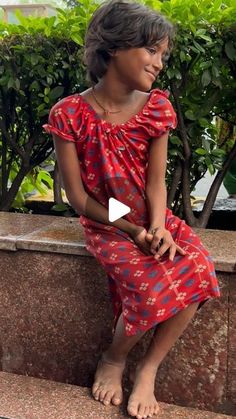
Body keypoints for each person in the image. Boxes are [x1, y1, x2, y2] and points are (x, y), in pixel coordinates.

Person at [43, 1, 220, 418]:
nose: (159, 63)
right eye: (151, 50)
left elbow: (157, 184)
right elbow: (79, 198)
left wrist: (158, 227)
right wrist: (130, 231)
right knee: (143, 285)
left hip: (152, 217)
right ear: (115, 47)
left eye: (163, 54)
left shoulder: (156, 108)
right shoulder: (69, 114)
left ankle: (148, 369)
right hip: (107, 224)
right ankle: (114, 357)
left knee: (196, 269)